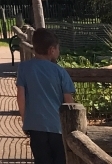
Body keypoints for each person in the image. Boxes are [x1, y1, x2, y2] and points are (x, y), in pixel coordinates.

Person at [15, 27, 75, 164]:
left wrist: (25, 120)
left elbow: (21, 97)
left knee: (41, 159)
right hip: (58, 126)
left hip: (35, 125)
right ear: (52, 50)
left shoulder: (24, 68)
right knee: (60, 159)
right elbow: (68, 101)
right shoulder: (60, 72)